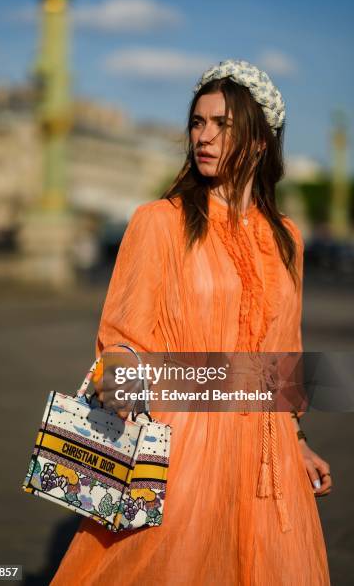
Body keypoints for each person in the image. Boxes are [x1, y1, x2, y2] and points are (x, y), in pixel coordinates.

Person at [50, 59, 331, 585]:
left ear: (261, 141)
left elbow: (282, 355)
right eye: (197, 123)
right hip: (183, 448)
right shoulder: (160, 222)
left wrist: (297, 440)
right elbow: (121, 341)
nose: (204, 136)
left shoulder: (288, 236)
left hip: (267, 463)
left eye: (222, 124)